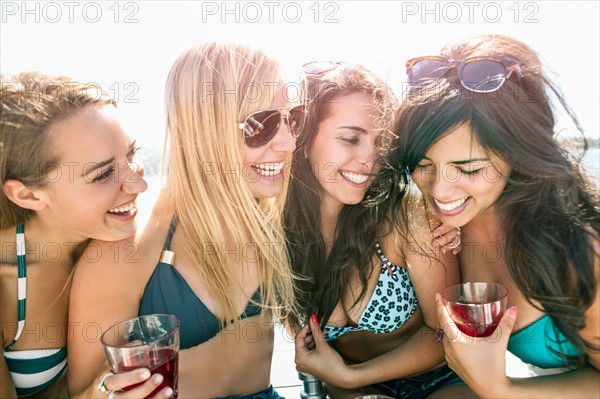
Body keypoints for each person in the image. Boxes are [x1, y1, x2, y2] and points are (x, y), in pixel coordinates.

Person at [67, 42, 303, 399]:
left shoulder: (272, 214)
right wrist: (106, 393)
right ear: (203, 130)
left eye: (293, 119)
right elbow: (83, 392)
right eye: (262, 125)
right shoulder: (132, 240)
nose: (287, 143)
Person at [392, 34, 600, 398]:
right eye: (423, 165)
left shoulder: (579, 251)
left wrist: (499, 389)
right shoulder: (447, 218)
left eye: (468, 169)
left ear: (517, 154)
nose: (440, 191)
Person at [286, 62, 464, 398]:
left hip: (439, 381)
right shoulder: (277, 235)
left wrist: (353, 376)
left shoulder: (406, 211)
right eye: (351, 138)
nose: (371, 158)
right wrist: (352, 386)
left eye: (380, 142)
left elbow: (445, 334)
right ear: (304, 138)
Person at [0, 72, 148, 398]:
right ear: (28, 196)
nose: (139, 185)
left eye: (132, 156)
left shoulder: (109, 238)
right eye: (104, 173)